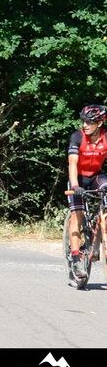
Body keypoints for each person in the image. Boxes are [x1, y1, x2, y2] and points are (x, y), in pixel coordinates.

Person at [66, 104, 107, 280]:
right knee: (78, 214)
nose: (85, 125)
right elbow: (73, 164)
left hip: (97, 176)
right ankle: (75, 258)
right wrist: (75, 186)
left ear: (100, 122)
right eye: (84, 121)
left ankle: (97, 244)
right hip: (79, 179)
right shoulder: (77, 137)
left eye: (89, 122)